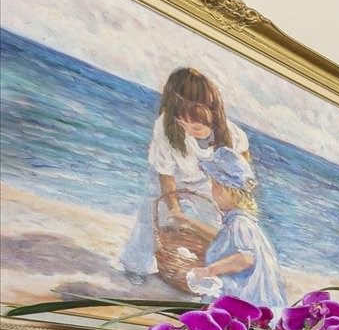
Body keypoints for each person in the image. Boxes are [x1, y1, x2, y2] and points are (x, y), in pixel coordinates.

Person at [119, 67, 251, 282]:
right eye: (182, 123)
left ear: (212, 117)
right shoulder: (164, 126)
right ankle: (136, 266)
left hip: (207, 181)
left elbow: (243, 167)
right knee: (152, 214)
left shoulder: (232, 134)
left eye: (196, 127)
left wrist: (232, 196)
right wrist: (174, 209)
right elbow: (166, 175)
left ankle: (207, 273)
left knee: (215, 225)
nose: (188, 130)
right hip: (168, 172)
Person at [188, 146, 287, 310]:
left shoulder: (240, 222)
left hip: (245, 299)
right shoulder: (239, 221)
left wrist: (209, 271)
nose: (212, 192)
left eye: (214, 186)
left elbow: (245, 259)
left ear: (224, 190)